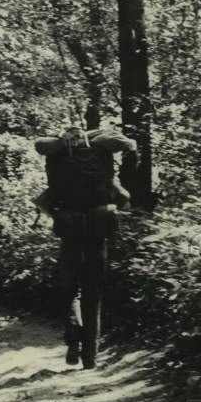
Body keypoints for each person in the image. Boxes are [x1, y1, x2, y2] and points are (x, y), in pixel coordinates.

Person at [34, 125, 136, 369]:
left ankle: (73, 340)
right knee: (93, 294)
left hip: (69, 235)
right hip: (97, 237)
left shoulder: (59, 179)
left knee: (70, 291)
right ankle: (90, 356)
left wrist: (58, 213)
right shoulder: (105, 180)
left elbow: (41, 203)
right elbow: (126, 202)